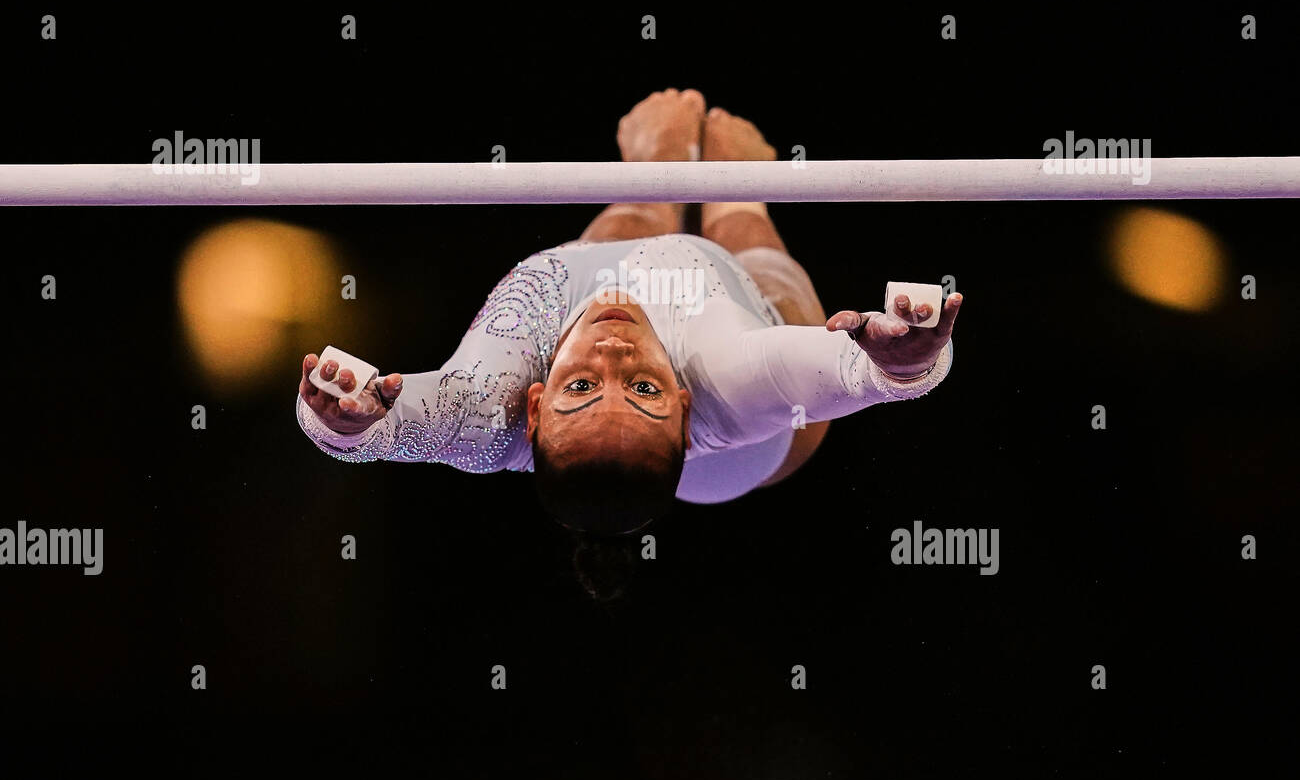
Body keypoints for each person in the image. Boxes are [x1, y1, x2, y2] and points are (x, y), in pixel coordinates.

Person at [295, 89, 963, 536]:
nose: (610, 358)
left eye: (579, 386)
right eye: (641, 388)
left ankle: (659, 166)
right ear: (682, 403)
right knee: (764, 278)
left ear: (532, 408)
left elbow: (368, 436)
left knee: (623, 239)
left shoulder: (482, 416)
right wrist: (906, 358)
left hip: (586, 303)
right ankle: (739, 191)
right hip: (742, 458)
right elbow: (870, 375)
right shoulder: (729, 384)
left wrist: (342, 423)